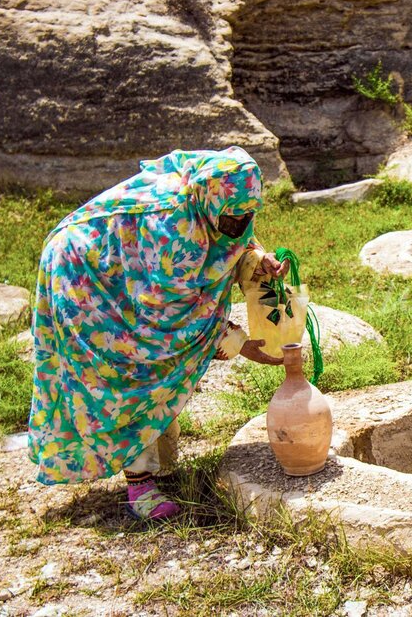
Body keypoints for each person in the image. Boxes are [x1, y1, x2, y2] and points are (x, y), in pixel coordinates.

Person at [28, 146, 287, 520]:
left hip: (125, 267)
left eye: (248, 215)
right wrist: (237, 342)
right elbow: (167, 325)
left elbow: (232, 242)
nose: (240, 223)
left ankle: (158, 462)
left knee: (161, 369)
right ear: (209, 200)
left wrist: (256, 259)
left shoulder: (217, 203)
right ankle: (140, 484)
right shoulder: (174, 229)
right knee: (136, 369)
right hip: (84, 272)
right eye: (233, 217)